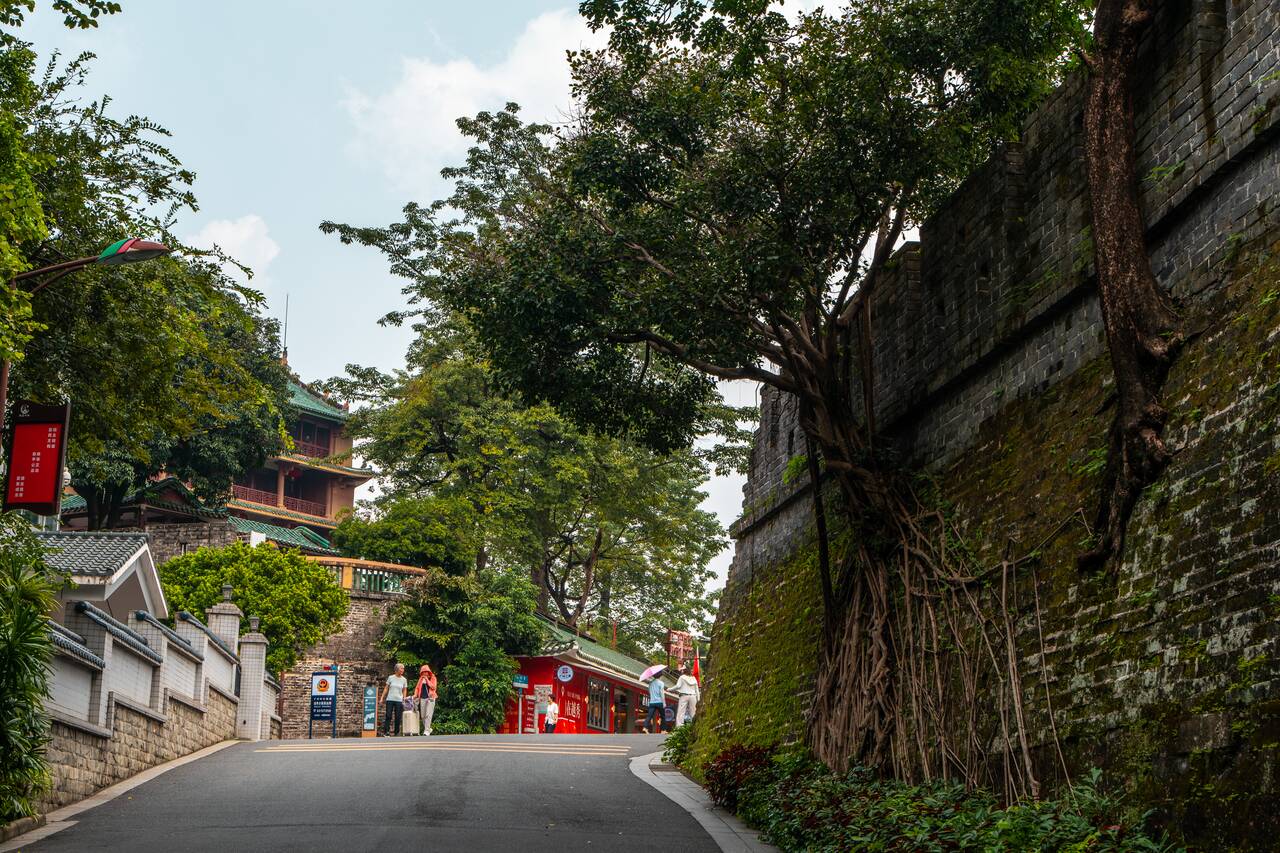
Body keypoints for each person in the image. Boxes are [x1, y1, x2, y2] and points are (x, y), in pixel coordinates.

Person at [379, 663, 407, 736]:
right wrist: (382, 698)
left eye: (403, 668)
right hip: (390, 699)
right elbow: (386, 688)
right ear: (397, 669)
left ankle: (396, 732)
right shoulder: (391, 677)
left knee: (398, 717)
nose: (403, 670)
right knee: (388, 716)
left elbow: (404, 690)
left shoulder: (404, 680)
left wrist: (404, 698)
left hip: (399, 700)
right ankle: (386, 732)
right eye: (402, 668)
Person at [414, 664, 438, 736]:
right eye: (423, 672)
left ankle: (426, 730)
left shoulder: (433, 678)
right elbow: (417, 688)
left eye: (426, 672)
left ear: (429, 672)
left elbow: (433, 687)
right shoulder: (421, 679)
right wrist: (415, 695)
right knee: (423, 715)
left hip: (431, 698)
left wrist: (427, 680)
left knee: (428, 714)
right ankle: (428, 728)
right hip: (422, 698)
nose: (424, 673)